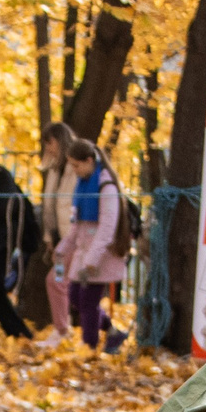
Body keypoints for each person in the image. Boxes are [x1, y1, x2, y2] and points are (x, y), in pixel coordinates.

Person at [61, 138, 128, 352]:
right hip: (84, 252)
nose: (74, 170)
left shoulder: (105, 185)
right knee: (75, 297)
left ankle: (88, 348)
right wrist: (63, 248)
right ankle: (113, 332)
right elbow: (76, 223)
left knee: (88, 302)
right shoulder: (83, 185)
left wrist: (92, 260)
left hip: (100, 254)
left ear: (89, 160)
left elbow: (107, 227)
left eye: (76, 165)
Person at [0, 154, 36, 339]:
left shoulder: (1, 177)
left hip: (0, 243)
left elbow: (1, 211)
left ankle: (19, 333)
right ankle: (20, 333)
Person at [38, 121, 76, 336]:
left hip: (72, 239)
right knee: (62, 283)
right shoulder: (54, 168)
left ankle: (62, 330)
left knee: (56, 281)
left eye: (50, 143)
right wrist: (49, 238)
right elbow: (49, 206)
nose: (48, 148)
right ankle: (63, 327)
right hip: (60, 240)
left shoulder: (74, 168)